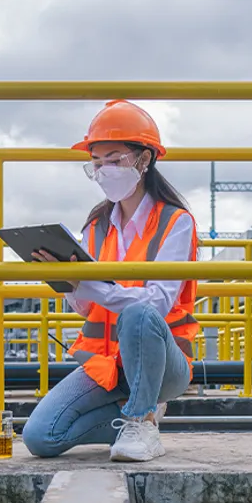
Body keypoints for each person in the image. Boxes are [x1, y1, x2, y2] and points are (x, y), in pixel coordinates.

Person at [22, 99, 199, 462]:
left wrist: (91, 285)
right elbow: (88, 307)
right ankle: (136, 412)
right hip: (108, 364)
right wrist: (69, 284)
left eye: (115, 159)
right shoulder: (95, 226)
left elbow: (157, 305)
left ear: (145, 159)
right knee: (40, 437)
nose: (104, 170)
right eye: (97, 162)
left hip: (163, 365)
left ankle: (143, 418)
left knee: (139, 312)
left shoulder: (176, 222)